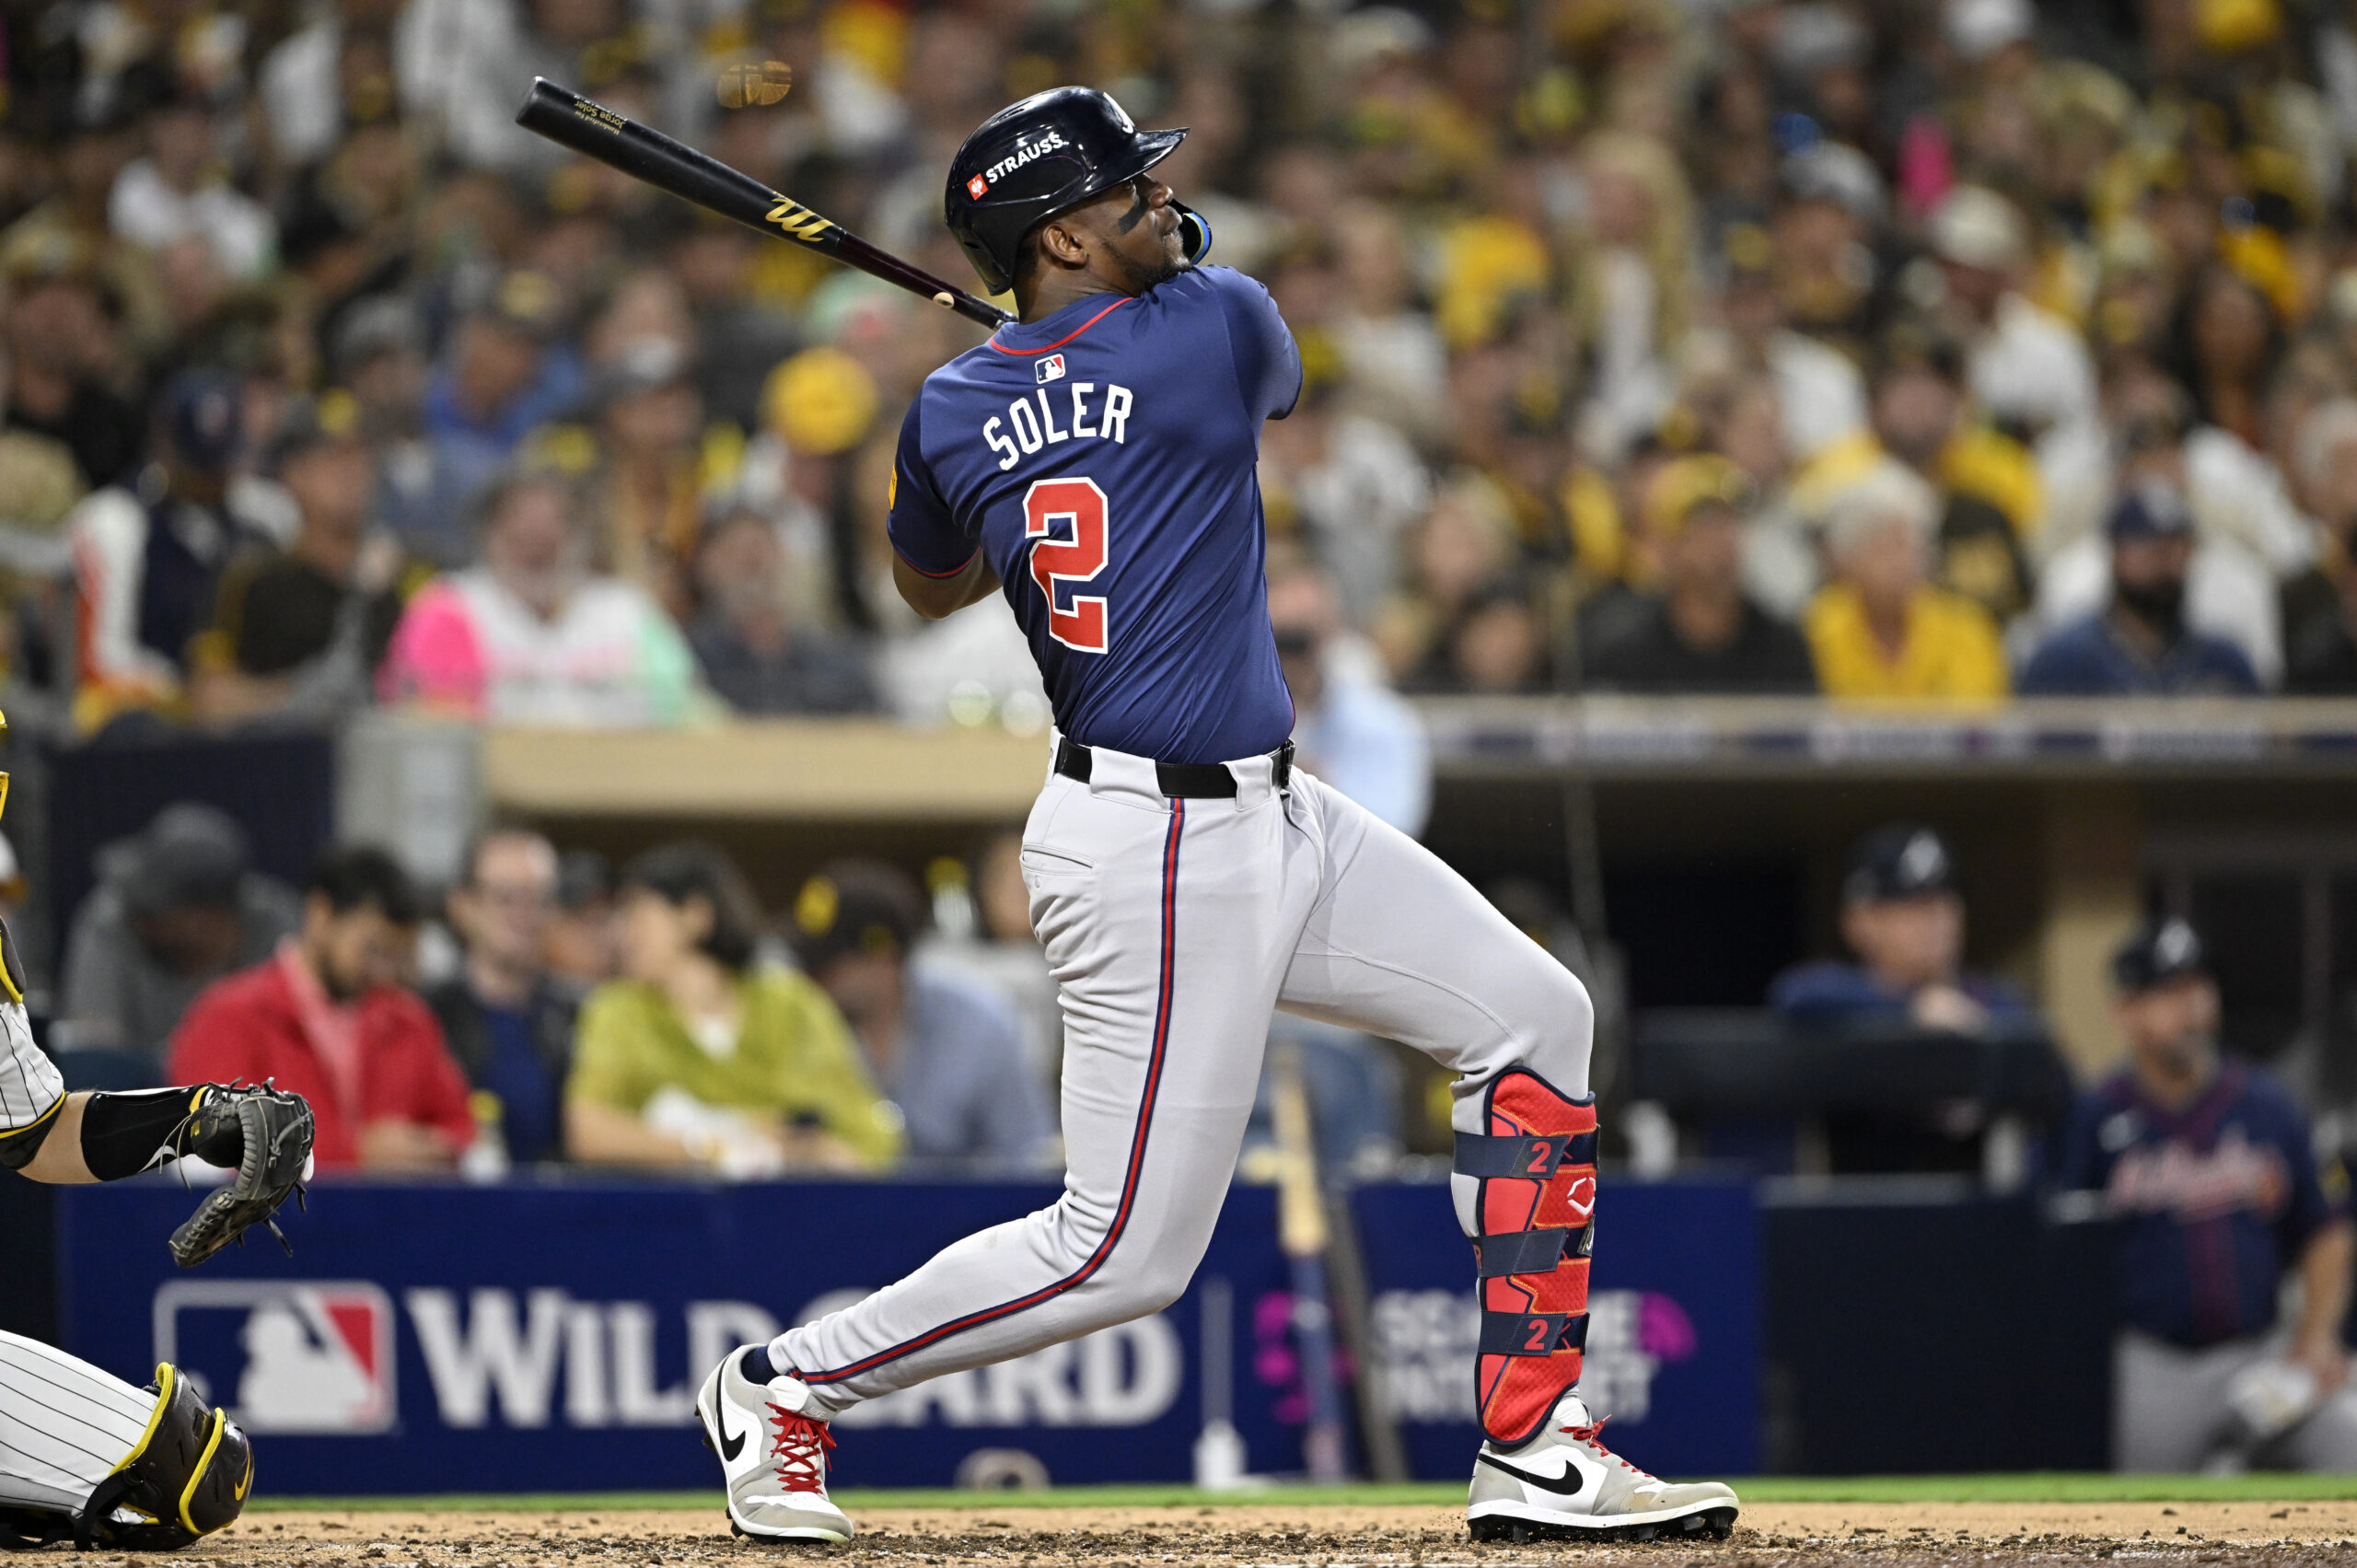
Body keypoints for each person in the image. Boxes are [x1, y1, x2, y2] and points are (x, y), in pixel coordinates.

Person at [691, 87, 1737, 1547]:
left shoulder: (952, 407)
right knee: (1120, 1253)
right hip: (1153, 849)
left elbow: (932, 579)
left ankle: (1533, 1441)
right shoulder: (1212, 325)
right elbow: (1228, 346)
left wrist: (1025, 398)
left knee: (1537, 1015)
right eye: (1122, 191)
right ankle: (782, 1383)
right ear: (1057, 229)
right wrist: (1072, 370)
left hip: (1276, 812)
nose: (1158, 208)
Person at [2060, 920, 2357, 1471]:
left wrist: (2316, 1338)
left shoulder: (2271, 1105)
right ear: (2125, 1012)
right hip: (2150, 1365)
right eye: (2169, 994)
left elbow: (2328, 1226)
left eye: (2199, 989)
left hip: (2261, 1353)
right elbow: (2060, 1251)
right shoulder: (2094, 1116)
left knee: (2347, 1439)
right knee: (2133, 1527)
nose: (2191, 1009)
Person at [564, 842, 900, 1176]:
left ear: (694, 915)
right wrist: (715, 1143)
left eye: (635, 911)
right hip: (674, 1215)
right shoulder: (617, 1010)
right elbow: (588, 1130)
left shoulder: (790, 1004)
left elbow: (865, 1130)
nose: (619, 931)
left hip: (790, 1210)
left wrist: (813, 1149)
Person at [167, 845, 474, 1172]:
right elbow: (213, 1148)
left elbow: (462, 1130)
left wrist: (434, 1150)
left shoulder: (408, 1022)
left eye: (395, 955)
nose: (382, 972)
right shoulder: (228, 1016)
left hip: (394, 1219)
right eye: (371, 949)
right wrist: (356, 1155)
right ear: (321, 913)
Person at [376, 468, 709, 726]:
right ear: (489, 535)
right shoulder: (449, 610)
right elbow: (422, 723)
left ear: (580, 535)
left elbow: (689, 714)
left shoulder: (628, 614)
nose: (538, 539)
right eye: (521, 528)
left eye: (554, 525)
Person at [791, 861, 1055, 1172]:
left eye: (828, 966)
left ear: (883, 961)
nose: (813, 979)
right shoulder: (802, 1023)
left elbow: (1027, 1154)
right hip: (844, 1213)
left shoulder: (976, 1024)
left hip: (971, 1215)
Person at [56, 803, 304, 1066]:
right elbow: (92, 1052)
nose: (140, 916)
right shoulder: (112, 920)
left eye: (155, 909)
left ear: (205, 919)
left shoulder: (278, 930)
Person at [1580, 454, 1817, 695]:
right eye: (1704, 524)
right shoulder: (1625, 653)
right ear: (1666, 545)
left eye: (1731, 522)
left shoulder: (1782, 648)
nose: (1721, 541)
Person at [1770, 824, 2038, 1034]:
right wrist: (1910, 1010)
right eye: (1916, 908)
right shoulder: (1836, 1000)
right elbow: (1796, 997)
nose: (1937, 920)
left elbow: (2068, 1093)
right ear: (1860, 923)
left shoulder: (1996, 1006)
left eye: (1945, 904)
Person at [424, 829, 577, 1166]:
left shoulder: (584, 1014)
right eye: (505, 897)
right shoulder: (423, 1016)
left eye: (539, 897)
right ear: (462, 906)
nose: (524, 913)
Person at [2017, 486, 2263, 696]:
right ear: (2115, 555)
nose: (2165, 564)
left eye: (2177, 550)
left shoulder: (2222, 660)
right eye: (2150, 550)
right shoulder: (2063, 662)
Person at [1803, 459, 2009, 702]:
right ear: (1847, 558)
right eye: (1883, 548)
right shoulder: (1815, 632)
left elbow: (1988, 729)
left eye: (1912, 547)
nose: (1900, 563)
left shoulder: (1970, 630)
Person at [1266, 561, 1430, 836]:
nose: (1292, 655)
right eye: (1280, 637)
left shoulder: (1385, 721)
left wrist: (1320, 787)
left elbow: (1400, 824)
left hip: (1348, 870)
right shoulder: (1225, 721)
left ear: (1332, 632)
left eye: (1302, 638)